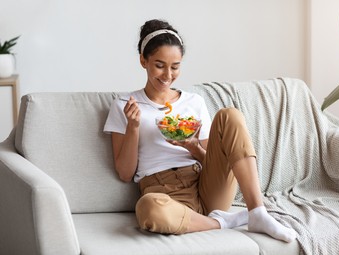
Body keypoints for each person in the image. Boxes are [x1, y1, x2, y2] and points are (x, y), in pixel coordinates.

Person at [104, 19, 296, 243]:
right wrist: (133, 127)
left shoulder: (193, 102)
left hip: (205, 184)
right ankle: (224, 222)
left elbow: (213, 162)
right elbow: (125, 173)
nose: (167, 75)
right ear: (143, 60)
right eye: (159, 65)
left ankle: (258, 212)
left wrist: (194, 147)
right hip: (163, 192)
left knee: (230, 115)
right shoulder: (125, 105)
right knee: (148, 208)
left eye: (175, 67)